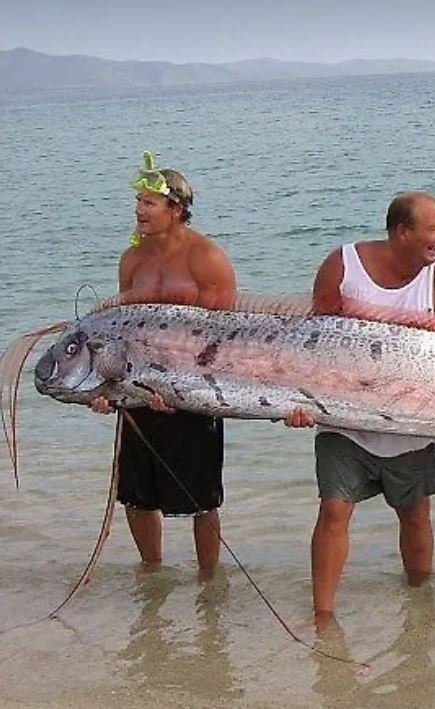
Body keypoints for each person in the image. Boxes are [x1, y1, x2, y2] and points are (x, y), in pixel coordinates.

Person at [284, 190, 435, 626]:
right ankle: (322, 616)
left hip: (413, 426)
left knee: (415, 516)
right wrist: (299, 402)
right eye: (434, 228)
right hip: (344, 422)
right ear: (403, 231)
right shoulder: (342, 267)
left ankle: (421, 612)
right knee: (333, 509)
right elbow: (313, 345)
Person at [91, 152, 237, 578]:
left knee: (202, 500)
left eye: (149, 202)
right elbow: (120, 333)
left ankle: (209, 581)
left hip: (191, 392)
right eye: (137, 201)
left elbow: (223, 339)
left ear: (177, 209)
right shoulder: (131, 259)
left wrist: (177, 393)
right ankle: (151, 574)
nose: (139, 210)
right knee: (136, 495)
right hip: (137, 389)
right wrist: (107, 390)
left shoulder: (205, 257)